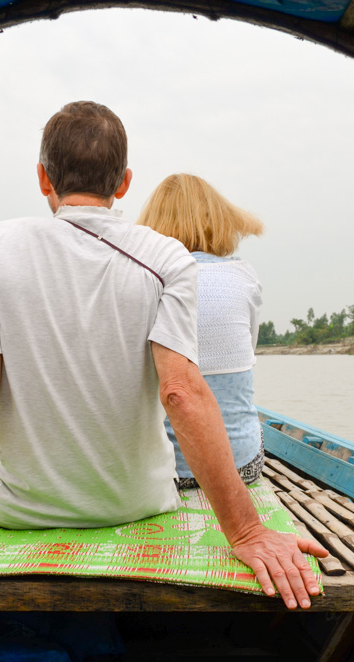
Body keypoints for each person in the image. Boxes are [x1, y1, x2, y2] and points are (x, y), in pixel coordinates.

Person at [0, 101, 327, 611]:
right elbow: (181, 392)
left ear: (43, 178)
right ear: (123, 183)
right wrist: (248, 533)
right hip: (137, 504)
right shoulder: (166, 256)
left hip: (11, 510)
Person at [137, 174, 265, 489]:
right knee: (255, 426)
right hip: (239, 469)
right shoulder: (243, 276)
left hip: (163, 472)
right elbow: (248, 352)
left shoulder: (141, 280)